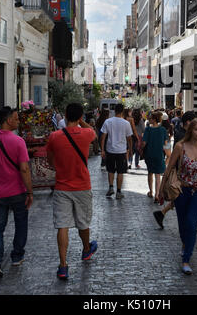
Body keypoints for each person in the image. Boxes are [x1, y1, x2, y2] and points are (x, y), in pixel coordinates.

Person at [47, 103, 97, 281]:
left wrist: (60, 168)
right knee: (83, 222)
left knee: (62, 225)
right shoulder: (86, 134)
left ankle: (63, 266)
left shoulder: (54, 136)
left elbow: (50, 160)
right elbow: (93, 131)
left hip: (62, 186)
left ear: (65, 116)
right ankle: (85, 250)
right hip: (82, 186)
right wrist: (82, 122)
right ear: (80, 116)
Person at [0, 107, 33, 279]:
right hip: (17, 191)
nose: (18, 121)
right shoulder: (18, 141)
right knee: (21, 224)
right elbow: (24, 169)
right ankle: (17, 256)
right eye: (16, 118)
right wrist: (30, 192)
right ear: (8, 120)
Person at [159, 118, 197, 275]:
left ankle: (186, 259)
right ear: (191, 131)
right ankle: (185, 244)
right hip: (182, 191)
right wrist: (161, 189)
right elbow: (169, 169)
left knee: (191, 222)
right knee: (183, 224)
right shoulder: (180, 147)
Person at [153, 111, 197, 234]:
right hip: (183, 174)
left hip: (184, 173)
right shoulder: (184, 136)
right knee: (181, 198)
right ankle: (191, 223)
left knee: (180, 198)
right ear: (189, 123)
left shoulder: (181, 132)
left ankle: (162, 213)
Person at [100, 103, 133, 199]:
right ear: (122, 111)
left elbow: (103, 136)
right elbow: (129, 138)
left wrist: (102, 149)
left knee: (110, 170)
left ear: (114, 111)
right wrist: (130, 149)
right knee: (120, 172)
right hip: (121, 151)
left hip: (110, 150)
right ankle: (118, 191)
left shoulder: (108, 121)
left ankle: (110, 187)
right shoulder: (126, 123)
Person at [141, 111, 167, 203]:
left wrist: (141, 149)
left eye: (150, 118)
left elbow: (144, 143)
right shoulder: (163, 130)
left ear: (154, 119)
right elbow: (166, 144)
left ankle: (151, 191)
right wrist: (168, 154)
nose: (149, 119)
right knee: (158, 175)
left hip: (149, 154)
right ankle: (157, 194)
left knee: (150, 172)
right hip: (159, 154)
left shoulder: (148, 129)